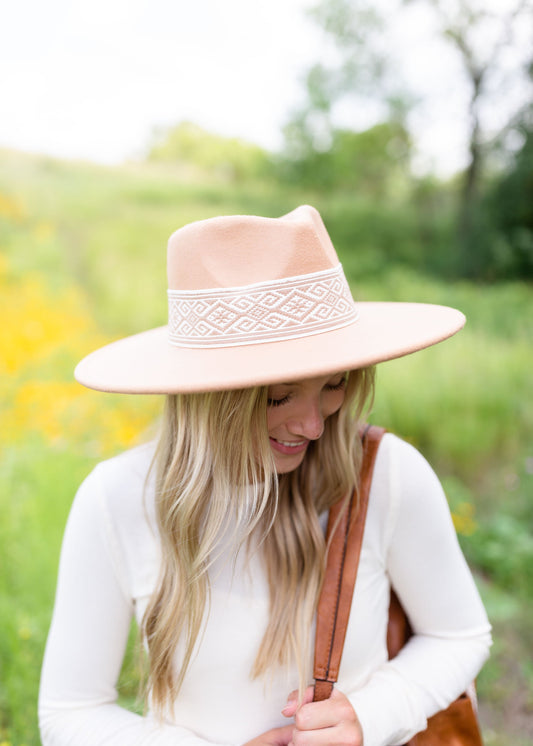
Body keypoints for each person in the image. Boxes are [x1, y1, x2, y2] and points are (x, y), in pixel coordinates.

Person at [39, 205, 492, 746]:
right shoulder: (116, 500)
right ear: (207, 398)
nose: (314, 426)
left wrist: (369, 718)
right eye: (278, 397)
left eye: (335, 383)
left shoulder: (385, 475)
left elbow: (459, 635)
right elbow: (71, 712)